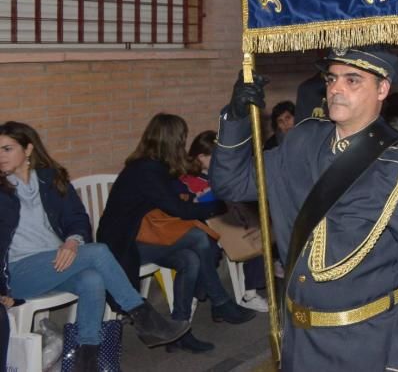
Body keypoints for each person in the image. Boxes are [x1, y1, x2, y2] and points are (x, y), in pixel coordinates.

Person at [211, 47, 398, 371]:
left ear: (382, 89)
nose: (336, 88)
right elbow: (231, 183)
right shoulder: (301, 141)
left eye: (352, 80)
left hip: (364, 344)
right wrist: (235, 117)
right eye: (332, 78)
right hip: (298, 339)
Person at [0, 122, 187, 371]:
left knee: (92, 279)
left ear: (28, 149)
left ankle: (85, 361)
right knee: (98, 252)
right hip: (18, 271)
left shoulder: (50, 179)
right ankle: (142, 315)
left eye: (7, 149)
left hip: (55, 262)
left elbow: (77, 218)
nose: (0, 156)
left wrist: (71, 241)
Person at [98, 114, 253, 355]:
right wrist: (217, 206)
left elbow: (174, 200)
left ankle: (180, 330)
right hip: (124, 243)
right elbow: (178, 210)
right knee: (199, 238)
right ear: (171, 140)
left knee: (190, 259)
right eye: (181, 138)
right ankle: (220, 302)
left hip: (143, 236)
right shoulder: (145, 170)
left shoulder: (154, 165)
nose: (183, 143)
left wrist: (197, 198)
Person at [183, 130, 269, 313]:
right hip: (203, 227)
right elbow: (187, 206)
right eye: (213, 158)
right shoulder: (188, 179)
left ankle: (250, 294)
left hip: (228, 222)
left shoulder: (223, 174)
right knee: (207, 251)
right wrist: (199, 198)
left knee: (257, 236)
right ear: (200, 157)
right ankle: (196, 297)